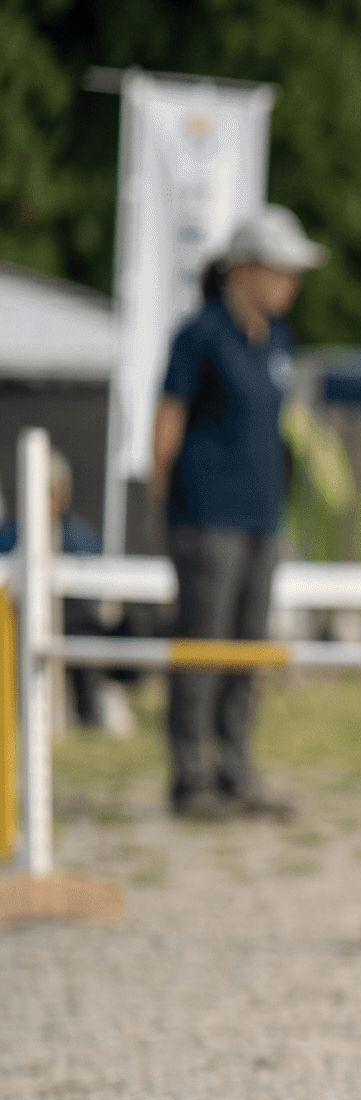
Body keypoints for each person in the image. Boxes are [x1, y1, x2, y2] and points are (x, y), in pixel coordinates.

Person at [149, 204, 321, 821]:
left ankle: (236, 767)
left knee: (249, 647)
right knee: (203, 645)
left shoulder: (278, 338)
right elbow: (168, 418)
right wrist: (162, 500)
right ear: (244, 269)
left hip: (260, 516)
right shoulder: (199, 333)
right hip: (205, 514)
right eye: (282, 269)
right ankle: (190, 773)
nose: (292, 283)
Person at [0, 448, 135, 736]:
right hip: (14, 622)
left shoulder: (79, 536)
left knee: (85, 631)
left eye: (47, 491)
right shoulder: (9, 535)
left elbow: (102, 592)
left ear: (61, 495)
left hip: (70, 624)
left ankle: (90, 711)